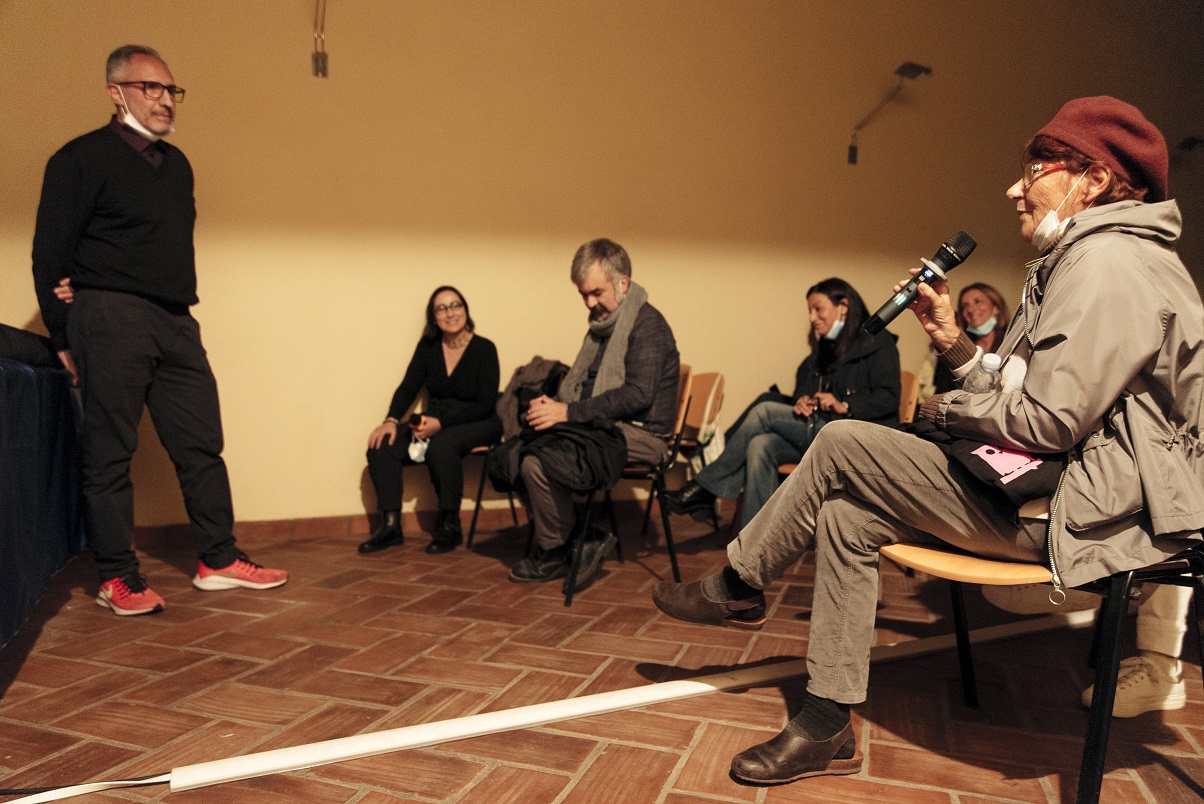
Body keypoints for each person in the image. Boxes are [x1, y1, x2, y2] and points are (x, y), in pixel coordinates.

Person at [652, 96, 1204, 785]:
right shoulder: (1092, 258)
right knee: (847, 516)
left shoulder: (1110, 265)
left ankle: (738, 583)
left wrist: (948, 413)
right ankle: (826, 725)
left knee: (843, 442)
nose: (1014, 189)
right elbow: (1033, 396)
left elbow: (1048, 422)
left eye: (1034, 170)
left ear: (1092, 179)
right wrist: (951, 342)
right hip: (1048, 488)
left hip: (1082, 515)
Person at [31, 45, 287, 616]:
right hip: (110, 318)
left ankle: (218, 559)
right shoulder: (78, 159)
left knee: (201, 445)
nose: (166, 99)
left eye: (172, 90)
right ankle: (117, 577)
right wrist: (63, 334)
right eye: (152, 88)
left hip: (176, 320)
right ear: (115, 92)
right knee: (109, 452)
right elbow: (49, 253)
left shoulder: (177, 165)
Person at [666, 279, 899, 529]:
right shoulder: (825, 348)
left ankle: (705, 488)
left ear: (843, 306)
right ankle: (756, 540)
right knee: (760, 445)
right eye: (809, 311)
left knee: (764, 411)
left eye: (818, 309)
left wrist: (845, 404)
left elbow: (889, 397)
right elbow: (804, 383)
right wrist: (801, 400)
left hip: (851, 438)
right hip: (820, 431)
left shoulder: (879, 343)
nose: (811, 318)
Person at [512, 238, 680, 585]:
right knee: (520, 445)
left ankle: (557, 549)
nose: (590, 303)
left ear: (623, 283)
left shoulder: (648, 325)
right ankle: (582, 538)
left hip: (643, 434)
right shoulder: (603, 327)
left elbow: (637, 395)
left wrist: (568, 413)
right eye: (583, 295)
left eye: (596, 292)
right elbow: (587, 388)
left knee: (536, 460)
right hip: (606, 426)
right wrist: (553, 406)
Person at [360, 286, 502, 555]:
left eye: (456, 305)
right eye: (441, 308)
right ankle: (391, 527)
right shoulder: (428, 348)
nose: (450, 313)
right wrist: (390, 420)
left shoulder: (484, 348)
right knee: (381, 445)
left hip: (480, 421)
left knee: (441, 445)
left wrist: (441, 423)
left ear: (465, 309)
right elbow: (408, 387)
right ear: (433, 317)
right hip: (436, 420)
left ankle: (449, 525)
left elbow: (485, 404)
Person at [917, 283, 1011, 401]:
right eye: (965, 306)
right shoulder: (955, 349)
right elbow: (943, 392)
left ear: (996, 308)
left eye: (978, 301)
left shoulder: (1011, 344)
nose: (970, 309)